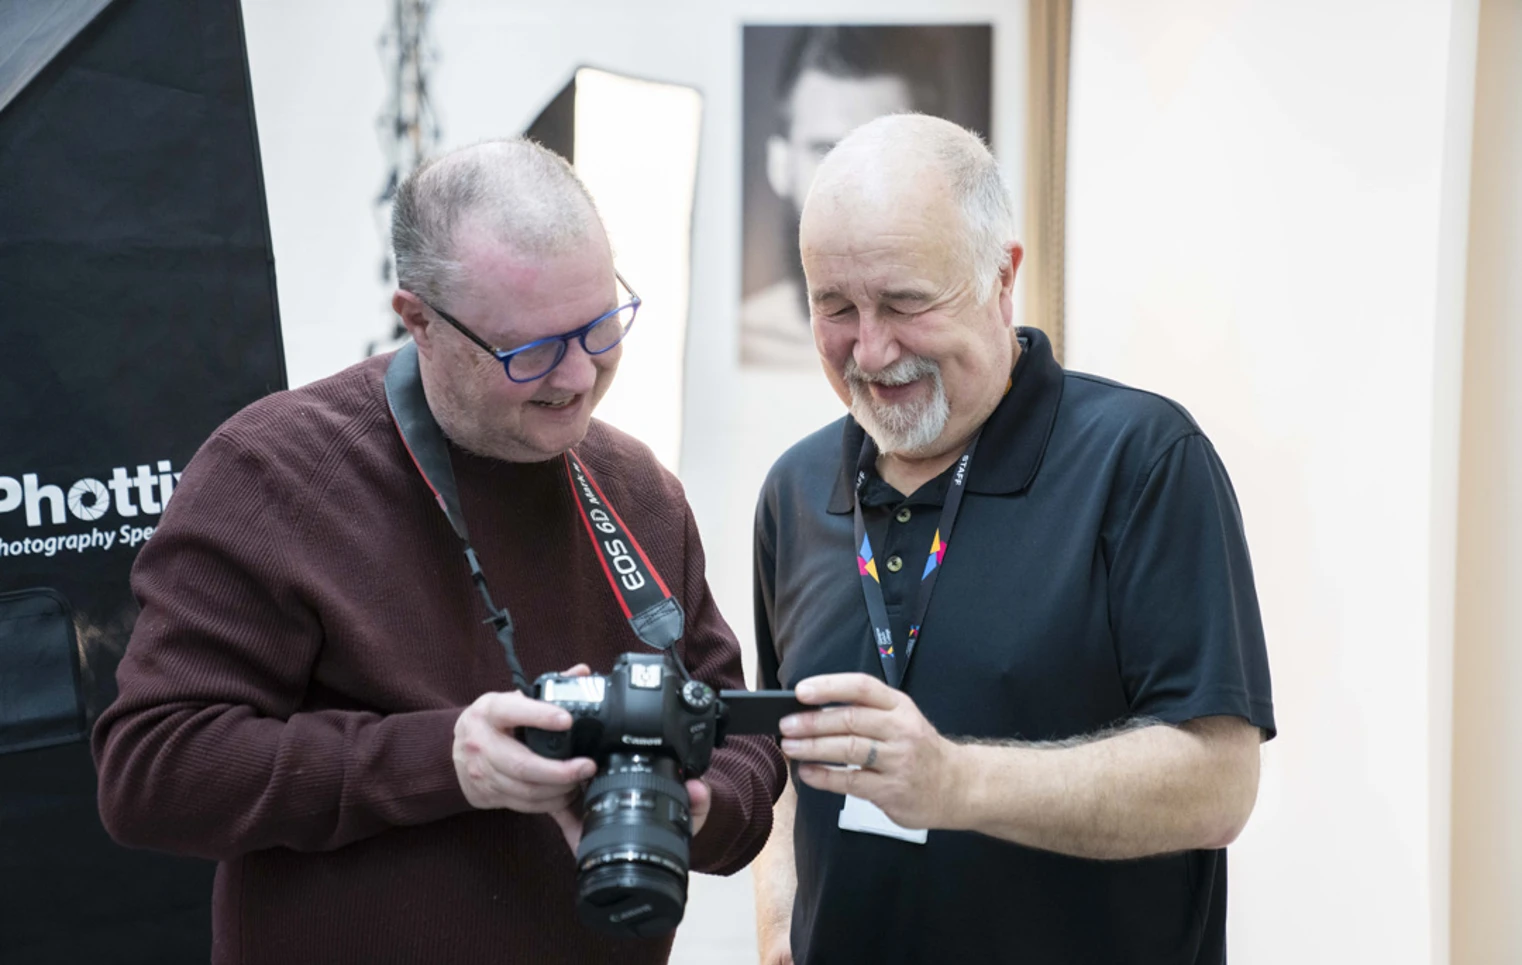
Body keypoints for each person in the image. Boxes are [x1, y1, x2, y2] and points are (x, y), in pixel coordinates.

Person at [92, 138, 785, 965]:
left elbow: (742, 738)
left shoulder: (636, 488)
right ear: (417, 318)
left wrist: (699, 809)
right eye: (528, 351)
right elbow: (151, 769)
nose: (577, 377)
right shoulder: (275, 474)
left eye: (601, 327)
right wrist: (444, 760)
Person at [751, 114, 1274, 965]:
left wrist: (954, 783)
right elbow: (784, 747)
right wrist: (778, 925)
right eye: (835, 307)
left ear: (1003, 277)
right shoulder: (796, 490)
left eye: (906, 302)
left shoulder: (1142, 460)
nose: (870, 348)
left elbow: (1219, 783)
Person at [741, 27, 939, 368]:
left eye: (884, 153)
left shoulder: (955, 353)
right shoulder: (745, 339)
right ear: (780, 164)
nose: (853, 188)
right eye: (825, 151)